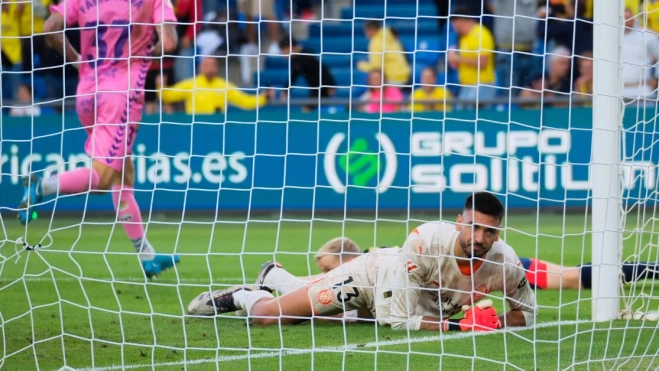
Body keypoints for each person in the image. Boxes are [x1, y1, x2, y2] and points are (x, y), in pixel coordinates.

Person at [188, 192, 537, 332]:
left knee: (332, 313)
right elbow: (397, 320)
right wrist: (464, 326)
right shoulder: (425, 241)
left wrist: (498, 321)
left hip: (404, 299)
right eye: (473, 227)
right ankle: (246, 295)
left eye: (489, 232)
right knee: (272, 317)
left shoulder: (505, 262)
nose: (479, 239)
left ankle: (277, 277)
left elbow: (528, 313)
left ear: (498, 233)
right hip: (369, 279)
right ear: (459, 221)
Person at [19, 0, 181, 278]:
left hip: (87, 91)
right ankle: (42, 185)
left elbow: (50, 28)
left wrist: (77, 59)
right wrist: (141, 55)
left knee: (123, 173)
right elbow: (169, 41)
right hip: (121, 94)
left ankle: (147, 255)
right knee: (105, 178)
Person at [314, 239, 659, 292]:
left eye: (328, 268)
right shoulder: (376, 262)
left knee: (567, 277)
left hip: (493, 268)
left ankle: (652, 269)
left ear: (345, 260)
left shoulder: (374, 264)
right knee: (569, 274)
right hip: (487, 265)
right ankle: (651, 268)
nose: (325, 275)